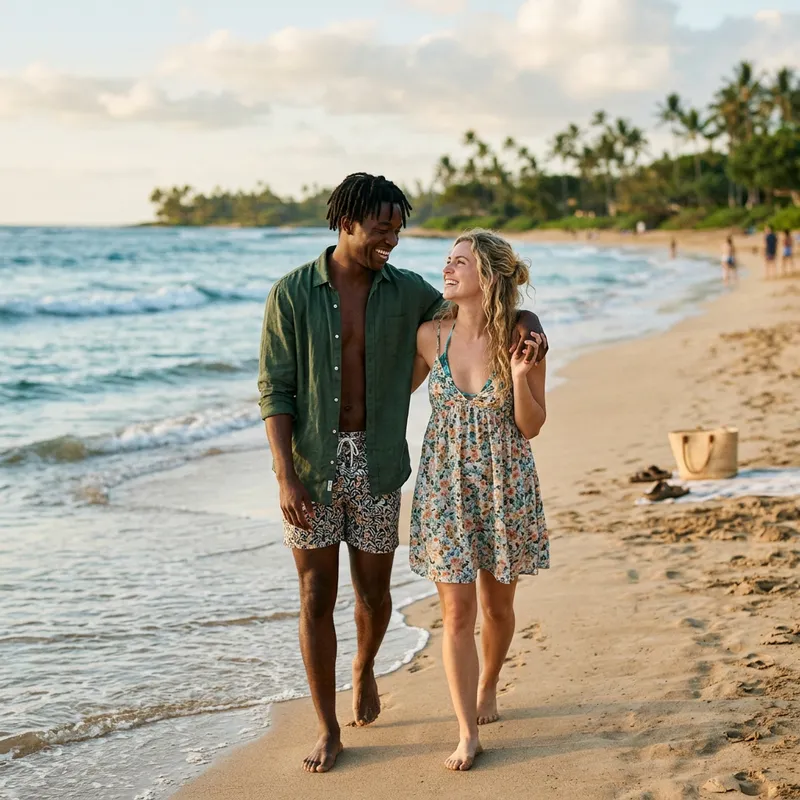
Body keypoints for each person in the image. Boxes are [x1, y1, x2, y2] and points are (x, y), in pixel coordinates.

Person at [258, 174, 548, 773]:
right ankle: (327, 728)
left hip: (380, 460)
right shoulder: (290, 295)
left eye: (398, 228)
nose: (393, 239)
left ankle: (364, 667)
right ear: (347, 222)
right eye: (382, 228)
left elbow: (481, 309)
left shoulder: (410, 293)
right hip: (311, 465)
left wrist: (527, 324)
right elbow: (275, 389)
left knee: (373, 594)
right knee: (315, 596)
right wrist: (285, 475)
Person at [409, 229, 549, 772]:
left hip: (504, 485)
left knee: (497, 607)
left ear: (487, 277)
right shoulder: (429, 337)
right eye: (447, 260)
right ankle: (467, 730)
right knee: (456, 610)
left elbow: (532, 426)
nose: (447, 269)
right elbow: (392, 399)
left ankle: (489, 685)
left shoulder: (521, 339)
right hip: (445, 489)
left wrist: (519, 377)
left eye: (459, 262)